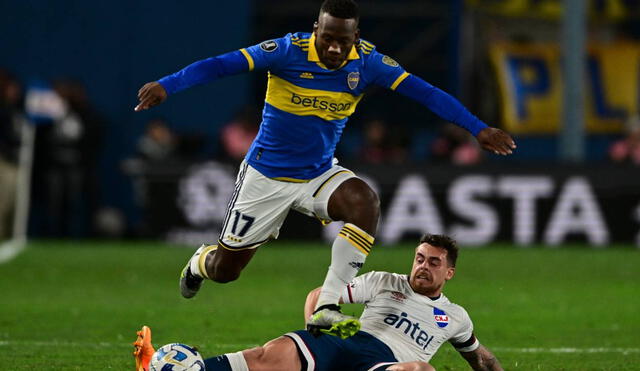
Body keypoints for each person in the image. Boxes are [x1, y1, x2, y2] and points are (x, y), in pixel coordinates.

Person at [134, 0, 516, 337]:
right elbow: (221, 65)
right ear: (316, 29)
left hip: (318, 174)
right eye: (327, 37)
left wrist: (477, 128)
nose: (334, 47)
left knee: (364, 202)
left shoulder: (368, 62)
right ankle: (199, 262)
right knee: (225, 270)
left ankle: (326, 305)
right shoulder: (286, 51)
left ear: (356, 36)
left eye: (343, 40)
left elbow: (427, 93)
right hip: (266, 177)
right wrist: (168, 85)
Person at [133, 234, 503, 371]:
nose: (423, 267)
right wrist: (317, 326)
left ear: (449, 273)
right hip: (340, 343)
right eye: (420, 258)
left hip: (386, 363)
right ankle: (165, 368)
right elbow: (318, 296)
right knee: (266, 355)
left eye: (433, 262)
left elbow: (480, 357)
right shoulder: (384, 281)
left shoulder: (455, 317)